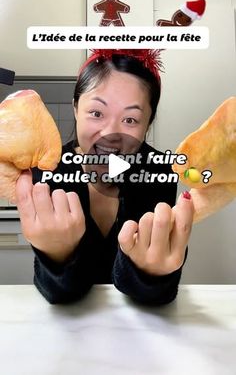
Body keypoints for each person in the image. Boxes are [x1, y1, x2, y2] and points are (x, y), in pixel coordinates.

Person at [16, 49, 194, 304]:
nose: (110, 134)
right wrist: (57, 256)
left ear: (148, 124)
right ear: (76, 108)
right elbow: (58, 295)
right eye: (97, 113)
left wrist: (152, 275)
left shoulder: (158, 171)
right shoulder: (49, 169)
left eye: (130, 119)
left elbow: (153, 297)